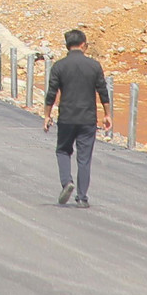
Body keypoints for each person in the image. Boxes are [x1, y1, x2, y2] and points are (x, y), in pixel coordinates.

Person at [42, 29, 111, 208]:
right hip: (88, 119)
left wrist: (47, 115)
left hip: (66, 118)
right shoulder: (94, 66)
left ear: (67, 46)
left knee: (63, 151)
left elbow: (51, 93)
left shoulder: (59, 66)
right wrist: (107, 114)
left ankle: (67, 182)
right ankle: (82, 198)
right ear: (83, 45)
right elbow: (103, 91)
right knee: (84, 158)